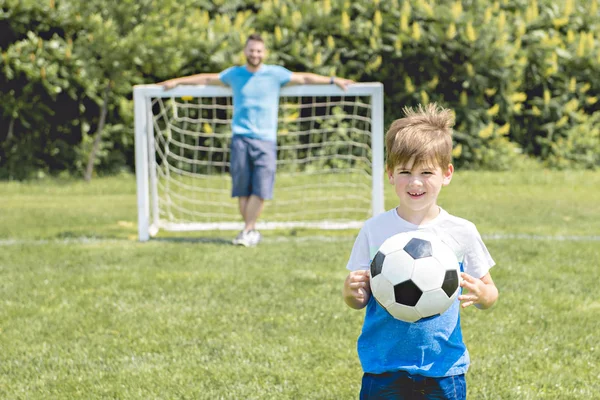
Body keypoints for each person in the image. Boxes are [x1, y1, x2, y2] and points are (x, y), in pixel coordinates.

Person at [342, 103, 499, 399]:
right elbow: (357, 298)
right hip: (383, 366)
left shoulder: (461, 231)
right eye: (405, 171)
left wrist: (482, 294)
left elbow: (490, 294)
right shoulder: (374, 230)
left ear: (447, 173)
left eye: (427, 171)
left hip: (443, 367)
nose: (415, 182)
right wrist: (351, 293)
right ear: (390, 173)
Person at [159, 33, 354, 247]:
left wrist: (334, 80)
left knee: (261, 189)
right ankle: (249, 231)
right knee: (242, 189)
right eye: (251, 50)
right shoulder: (234, 74)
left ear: (265, 53)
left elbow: (305, 78)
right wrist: (175, 82)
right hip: (240, 139)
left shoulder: (275, 74)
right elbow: (206, 78)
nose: (255, 54)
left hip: (266, 140)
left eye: (259, 50)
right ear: (245, 51)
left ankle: (247, 230)